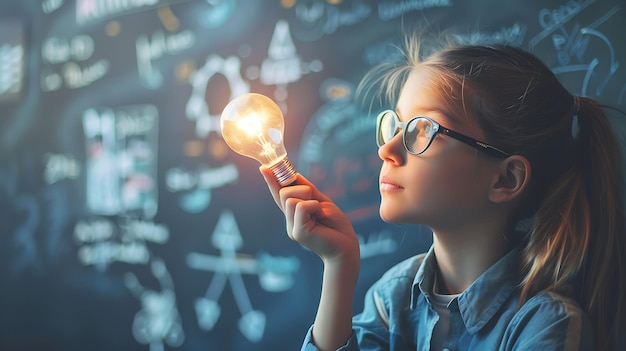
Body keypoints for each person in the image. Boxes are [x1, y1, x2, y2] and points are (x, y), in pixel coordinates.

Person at [259, 35, 626, 351]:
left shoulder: (545, 325)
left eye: (422, 130)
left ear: (505, 180)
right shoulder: (394, 297)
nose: (387, 150)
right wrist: (339, 264)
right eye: (396, 125)